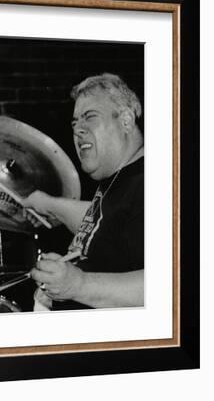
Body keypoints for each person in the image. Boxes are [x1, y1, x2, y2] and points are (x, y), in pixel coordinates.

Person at [23, 73, 144, 310]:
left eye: (90, 117)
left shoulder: (153, 182)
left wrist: (77, 285)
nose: (78, 129)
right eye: (75, 122)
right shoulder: (120, 177)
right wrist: (51, 206)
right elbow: (108, 222)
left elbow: (168, 286)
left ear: (126, 121)